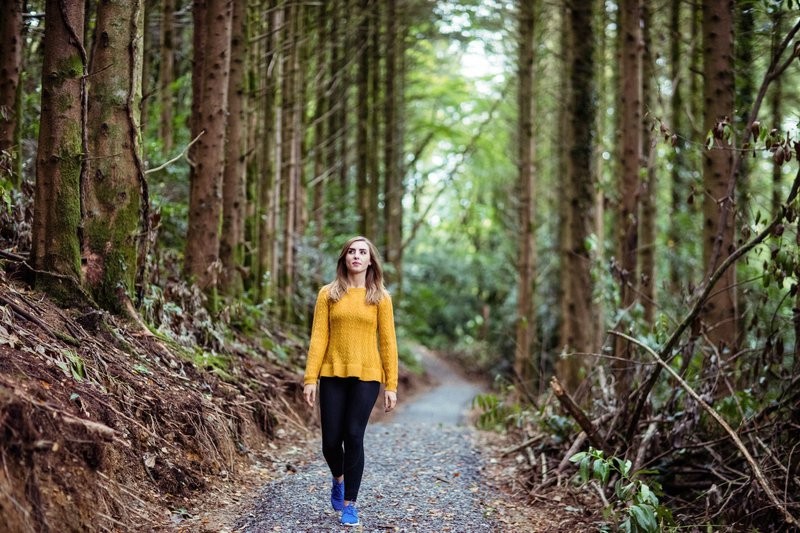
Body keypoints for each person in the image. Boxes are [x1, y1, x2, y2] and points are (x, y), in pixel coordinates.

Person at [303, 236, 399, 527]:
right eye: (351, 251)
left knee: (354, 436)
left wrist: (391, 385)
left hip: (367, 376)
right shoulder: (328, 294)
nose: (356, 256)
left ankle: (350, 504)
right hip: (332, 373)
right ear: (344, 258)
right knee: (331, 442)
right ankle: (338, 479)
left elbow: (388, 343)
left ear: (371, 260)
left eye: (362, 252)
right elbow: (319, 337)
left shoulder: (380, 297)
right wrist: (310, 378)